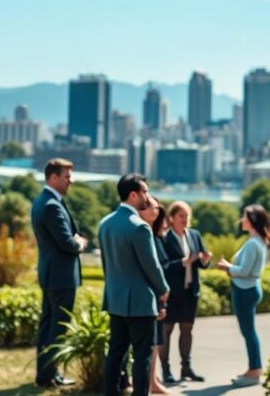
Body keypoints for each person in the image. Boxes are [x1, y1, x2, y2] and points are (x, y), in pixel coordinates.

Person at [99, 173, 170, 396]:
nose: (147, 197)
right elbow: (151, 266)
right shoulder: (139, 227)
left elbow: (106, 265)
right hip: (139, 302)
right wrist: (163, 289)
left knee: (115, 353)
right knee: (143, 356)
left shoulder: (105, 223)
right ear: (133, 195)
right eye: (145, 192)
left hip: (115, 299)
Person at [31, 158, 88, 388]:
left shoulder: (44, 201)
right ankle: (50, 374)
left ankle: (44, 374)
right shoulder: (51, 205)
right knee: (58, 327)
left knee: (48, 326)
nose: (71, 181)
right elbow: (67, 243)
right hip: (60, 277)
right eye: (67, 176)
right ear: (53, 177)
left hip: (52, 274)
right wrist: (81, 243)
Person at [217, 204, 270, 387]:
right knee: (249, 332)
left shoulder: (252, 243)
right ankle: (253, 369)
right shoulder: (259, 242)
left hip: (245, 291)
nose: (242, 219)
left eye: (245, 217)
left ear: (252, 220)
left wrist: (227, 267)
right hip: (250, 289)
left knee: (248, 332)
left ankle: (254, 371)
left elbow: (244, 270)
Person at [160, 201, 211, 383]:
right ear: (172, 218)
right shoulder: (165, 238)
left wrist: (205, 260)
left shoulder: (194, 235)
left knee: (187, 329)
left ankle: (186, 369)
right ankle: (165, 370)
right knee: (167, 330)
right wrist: (184, 261)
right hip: (172, 293)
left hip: (191, 291)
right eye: (181, 216)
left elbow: (201, 261)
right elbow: (163, 266)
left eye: (187, 215)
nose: (185, 219)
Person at [139, 198, 173, 394]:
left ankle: (153, 380)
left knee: (154, 342)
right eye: (151, 206)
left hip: (159, 296)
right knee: (149, 343)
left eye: (157, 207)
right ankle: (150, 382)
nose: (156, 210)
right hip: (152, 297)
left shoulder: (157, 237)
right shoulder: (145, 235)